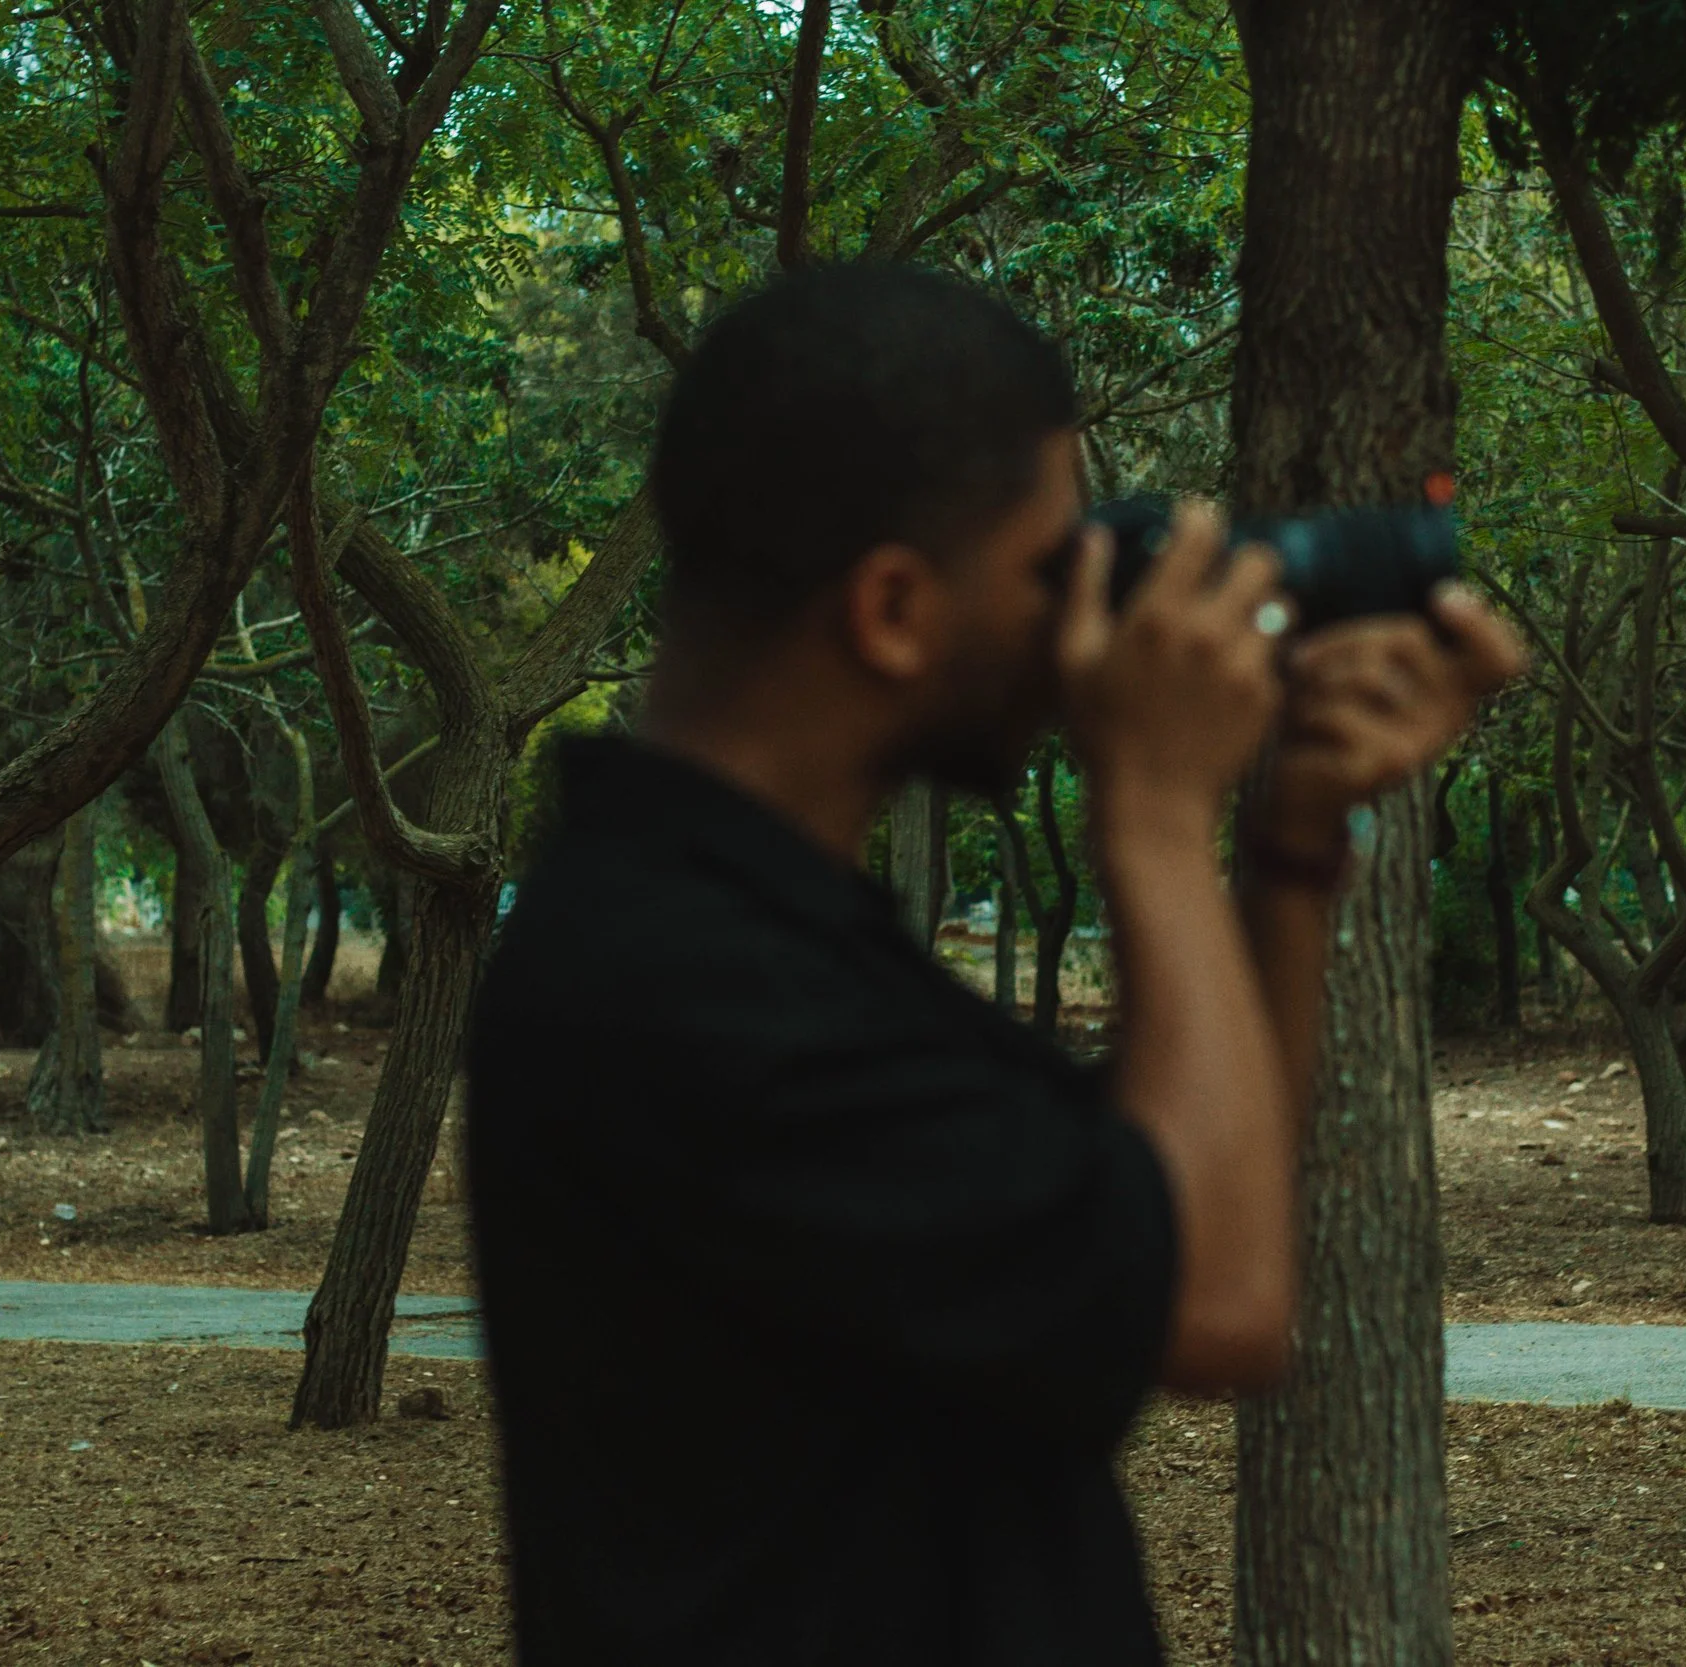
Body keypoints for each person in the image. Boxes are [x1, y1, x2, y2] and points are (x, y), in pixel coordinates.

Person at [466, 263, 1523, 1665]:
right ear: (894, 609)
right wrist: (1151, 809)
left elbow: (1159, 1207)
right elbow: (1216, 1301)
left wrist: (1287, 849)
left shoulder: (758, 925)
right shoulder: (678, 980)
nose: (1077, 619)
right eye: (1047, 564)